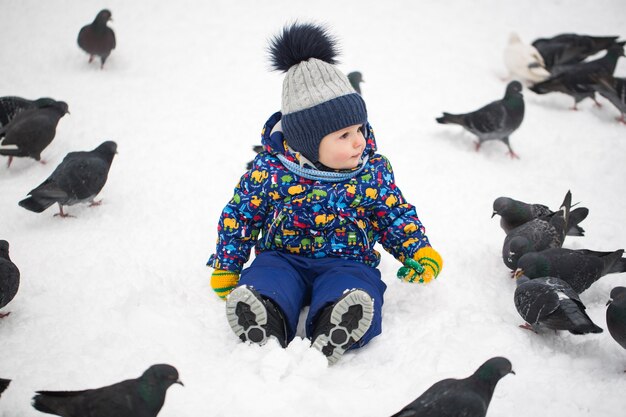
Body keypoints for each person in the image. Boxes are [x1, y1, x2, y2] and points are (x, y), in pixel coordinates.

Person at [207, 22, 443, 365]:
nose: (359, 141)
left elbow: (393, 214)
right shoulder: (272, 170)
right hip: (283, 256)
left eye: (360, 129)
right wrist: (228, 265)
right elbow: (241, 216)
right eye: (344, 135)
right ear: (306, 142)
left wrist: (417, 250)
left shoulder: (371, 171)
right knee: (267, 277)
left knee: (356, 285)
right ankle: (264, 313)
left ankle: (339, 321)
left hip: (348, 260)